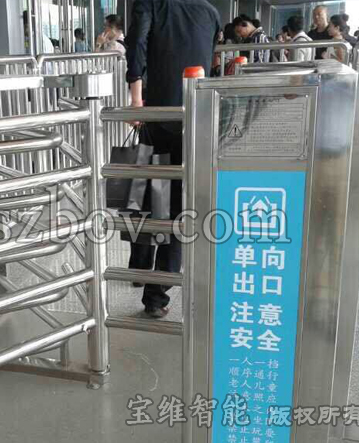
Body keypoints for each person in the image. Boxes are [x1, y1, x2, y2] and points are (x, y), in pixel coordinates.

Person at [125, 0, 220, 318]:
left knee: (145, 195)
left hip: (157, 116)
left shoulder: (152, 4)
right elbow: (208, 60)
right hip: (194, 118)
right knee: (178, 206)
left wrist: (136, 100)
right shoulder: (210, 12)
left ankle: (139, 268)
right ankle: (156, 296)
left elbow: (137, 45)